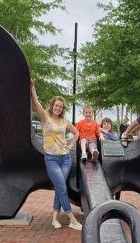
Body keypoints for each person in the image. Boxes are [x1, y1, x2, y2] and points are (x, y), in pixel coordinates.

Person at [30, 79, 82, 230]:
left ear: (62, 108)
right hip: (51, 159)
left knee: (60, 188)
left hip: (65, 159)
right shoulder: (45, 117)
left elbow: (76, 132)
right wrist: (32, 87)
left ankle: (54, 218)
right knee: (62, 188)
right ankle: (71, 218)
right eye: (56, 105)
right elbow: (36, 102)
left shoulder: (64, 121)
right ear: (52, 106)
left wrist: (71, 144)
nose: (58, 108)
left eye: (60, 106)